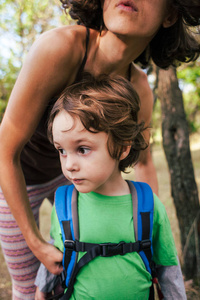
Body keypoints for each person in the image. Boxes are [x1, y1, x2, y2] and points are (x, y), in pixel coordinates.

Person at [0, 0, 199, 298]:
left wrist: (148, 239)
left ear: (170, 15)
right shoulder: (59, 48)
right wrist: (36, 242)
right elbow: (4, 150)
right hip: (18, 175)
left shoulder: (139, 88)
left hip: (81, 178)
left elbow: (143, 162)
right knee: (31, 288)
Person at [34, 74, 187, 300]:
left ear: (123, 147)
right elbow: (56, 252)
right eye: (61, 150)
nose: (69, 164)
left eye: (82, 149)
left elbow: (168, 270)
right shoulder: (65, 203)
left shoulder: (148, 204)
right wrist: (40, 292)